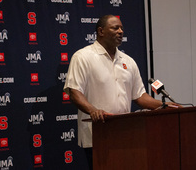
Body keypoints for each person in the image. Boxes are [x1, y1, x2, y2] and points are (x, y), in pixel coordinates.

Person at [63, 14, 180, 169]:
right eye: (115, 27)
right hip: (98, 134)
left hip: (126, 135)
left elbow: (140, 96)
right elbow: (74, 92)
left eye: (122, 28)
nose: (120, 31)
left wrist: (165, 106)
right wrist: (94, 111)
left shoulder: (128, 61)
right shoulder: (83, 57)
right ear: (101, 31)